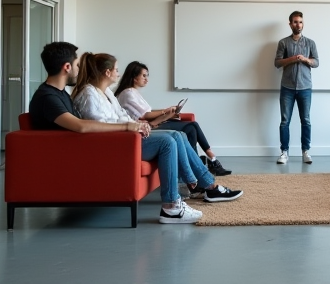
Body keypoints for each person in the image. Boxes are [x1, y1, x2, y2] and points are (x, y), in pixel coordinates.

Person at [29, 42, 202, 224]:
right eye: (78, 65)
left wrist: (135, 126)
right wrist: (128, 127)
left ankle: (179, 198)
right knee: (168, 142)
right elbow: (80, 126)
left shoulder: (59, 94)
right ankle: (173, 205)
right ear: (66, 67)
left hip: (87, 148)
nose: (81, 70)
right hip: (89, 151)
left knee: (172, 138)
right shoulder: (48, 98)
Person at [71, 52, 243, 206]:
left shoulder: (106, 92)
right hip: (120, 143)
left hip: (127, 136)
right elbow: (99, 126)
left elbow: (121, 115)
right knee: (168, 140)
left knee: (179, 135)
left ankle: (206, 185)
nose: (118, 73)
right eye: (116, 69)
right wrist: (132, 126)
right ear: (107, 72)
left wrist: (138, 125)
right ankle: (175, 200)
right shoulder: (89, 94)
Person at [115, 61, 231, 176]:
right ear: (134, 77)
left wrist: (168, 113)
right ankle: (208, 162)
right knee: (191, 127)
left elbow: (146, 112)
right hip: (147, 126)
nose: (147, 79)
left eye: (147, 76)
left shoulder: (133, 92)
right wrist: (165, 111)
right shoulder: (128, 93)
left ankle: (208, 162)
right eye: (144, 76)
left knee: (192, 125)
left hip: (150, 123)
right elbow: (145, 115)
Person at [274, 10, 319, 165]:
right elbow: (277, 63)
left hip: (305, 87)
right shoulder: (283, 43)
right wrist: (292, 59)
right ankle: (284, 152)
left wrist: (306, 59)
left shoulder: (310, 43)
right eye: (295, 22)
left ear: (303, 23)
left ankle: (305, 151)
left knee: (305, 120)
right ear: (290, 24)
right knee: (285, 121)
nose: (298, 24)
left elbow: (316, 63)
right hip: (287, 87)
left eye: (300, 22)